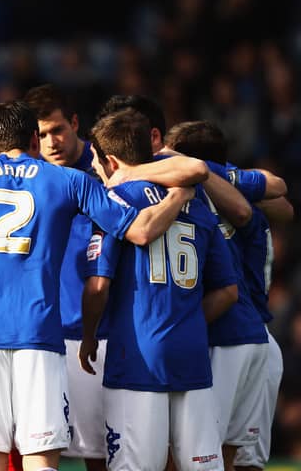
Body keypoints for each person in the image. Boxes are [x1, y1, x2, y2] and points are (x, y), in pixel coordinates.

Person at [0, 100, 195, 471]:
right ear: (34, 141)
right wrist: (179, 194)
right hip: (39, 337)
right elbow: (139, 230)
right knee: (41, 460)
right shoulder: (70, 181)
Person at [24, 84, 208, 471]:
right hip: (50, 335)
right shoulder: (31, 178)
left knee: (118, 457)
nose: (51, 141)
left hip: (114, 335)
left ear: (77, 125)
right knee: (48, 452)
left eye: (57, 129)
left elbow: (195, 168)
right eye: (40, 134)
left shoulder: (111, 178)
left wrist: (124, 176)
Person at [81, 109, 238, 471]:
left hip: (135, 356)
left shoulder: (115, 201)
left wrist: (89, 335)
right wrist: (184, 323)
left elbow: (98, 284)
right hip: (192, 354)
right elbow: (228, 290)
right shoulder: (194, 203)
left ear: (110, 160)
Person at [164, 121, 293, 471]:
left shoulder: (216, 194)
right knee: (237, 457)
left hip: (228, 336)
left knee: (199, 454)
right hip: (256, 338)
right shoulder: (237, 197)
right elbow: (283, 205)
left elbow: (278, 194)